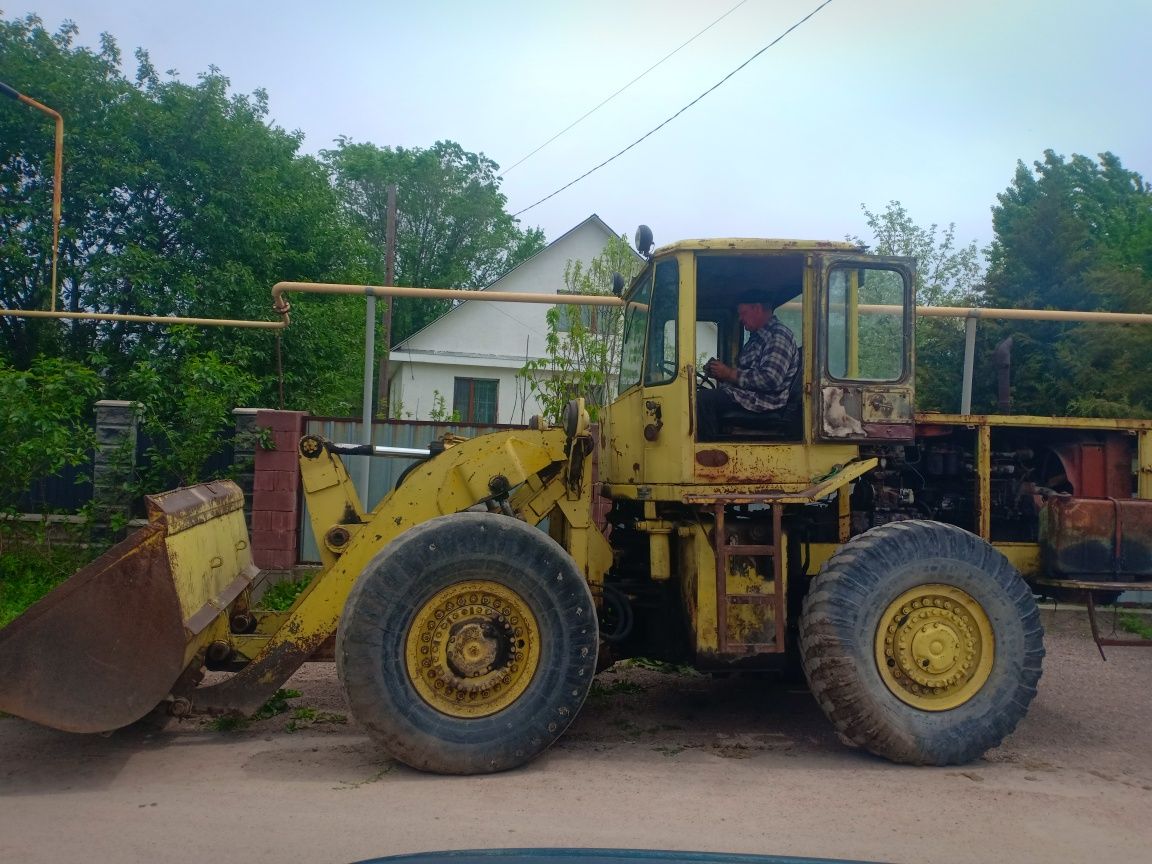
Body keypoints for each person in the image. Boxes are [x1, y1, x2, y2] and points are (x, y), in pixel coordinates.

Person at [697, 291, 800, 440]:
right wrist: (721, 374)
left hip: (765, 402)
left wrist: (729, 374)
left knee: (702, 400)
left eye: (743, 313)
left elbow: (770, 379)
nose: (740, 319)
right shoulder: (756, 339)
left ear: (757, 309)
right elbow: (747, 376)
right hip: (751, 397)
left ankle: (709, 453)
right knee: (699, 396)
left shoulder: (778, 336)